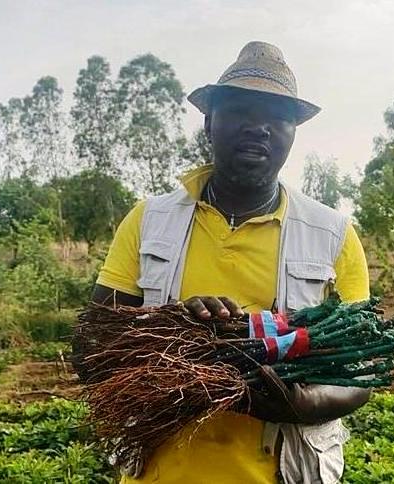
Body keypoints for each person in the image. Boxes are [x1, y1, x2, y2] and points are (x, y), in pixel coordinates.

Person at [89, 40, 371, 484]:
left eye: (277, 116)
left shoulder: (332, 234)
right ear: (209, 122)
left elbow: (361, 369)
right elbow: (92, 348)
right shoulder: (149, 221)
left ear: (294, 132)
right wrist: (174, 328)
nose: (258, 127)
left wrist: (306, 404)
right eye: (240, 110)